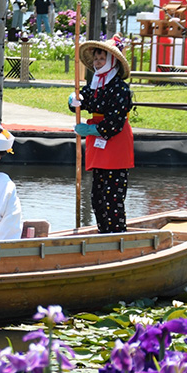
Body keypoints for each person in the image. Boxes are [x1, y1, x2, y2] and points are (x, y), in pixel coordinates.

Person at [70, 36, 134, 234]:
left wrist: (92, 130)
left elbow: (115, 122)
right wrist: (75, 100)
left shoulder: (121, 89)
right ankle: (103, 232)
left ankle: (117, 235)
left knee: (112, 197)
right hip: (98, 143)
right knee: (97, 196)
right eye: (96, 59)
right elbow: (84, 101)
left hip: (115, 142)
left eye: (102, 59)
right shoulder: (96, 84)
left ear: (112, 61)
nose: (98, 62)